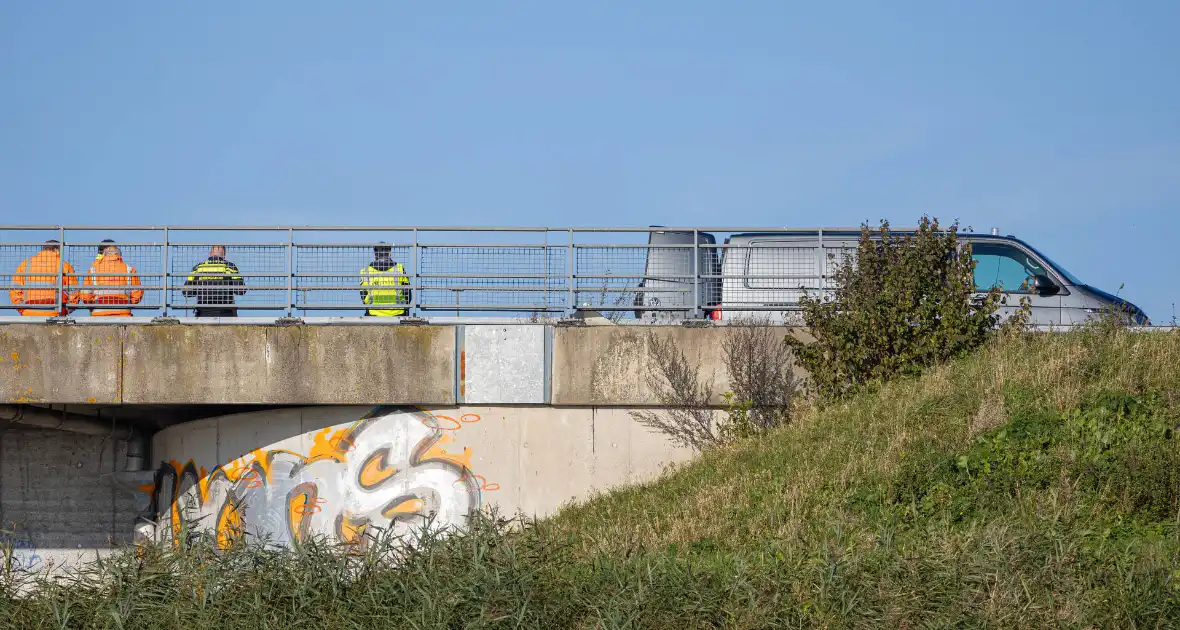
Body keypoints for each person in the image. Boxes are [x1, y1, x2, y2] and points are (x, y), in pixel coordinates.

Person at [9, 240, 79, 316]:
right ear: (56, 250)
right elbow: (74, 292)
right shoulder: (63, 265)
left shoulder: (26, 263)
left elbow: (15, 289)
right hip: (55, 313)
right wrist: (65, 310)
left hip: (29, 312)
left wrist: (22, 309)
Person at [81, 242, 143, 316]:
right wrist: (126, 304)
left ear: (103, 254)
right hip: (123, 314)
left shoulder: (92, 270)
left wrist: (93, 305)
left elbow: (85, 297)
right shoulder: (129, 270)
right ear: (119, 254)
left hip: (99, 315)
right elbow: (137, 296)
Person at [183, 245, 246, 317]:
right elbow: (240, 291)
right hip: (225, 312)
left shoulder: (198, 268)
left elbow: (187, 292)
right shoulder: (230, 267)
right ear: (224, 255)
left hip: (202, 311)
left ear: (210, 253)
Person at [359, 243, 410, 317]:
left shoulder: (365, 271)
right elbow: (407, 294)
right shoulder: (399, 268)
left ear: (375, 253)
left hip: (373, 313)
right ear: (389, 252)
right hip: (397, 313)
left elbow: (363, 296)